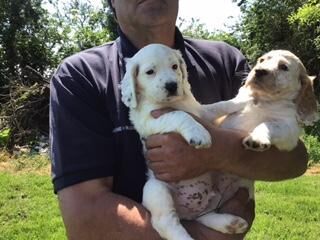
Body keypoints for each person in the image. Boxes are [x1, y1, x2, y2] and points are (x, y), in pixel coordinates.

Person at [49, 0, 308, 239]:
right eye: (150, 72)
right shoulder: (80, 76)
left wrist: (220, 152)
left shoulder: (225, 60)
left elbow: (294, 160)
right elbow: (84, 218)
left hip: (209, 203)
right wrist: (201, 236)